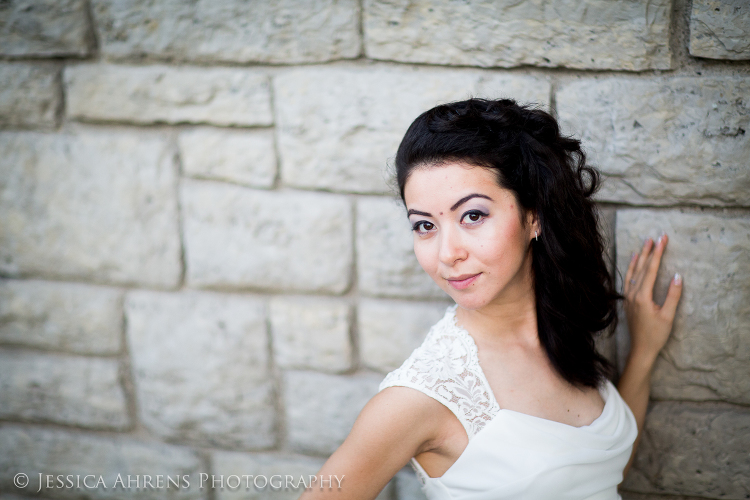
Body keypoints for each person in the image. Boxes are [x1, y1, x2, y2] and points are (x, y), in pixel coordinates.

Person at [299, 98, 683, 500]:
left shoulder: (563, 330)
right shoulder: (419, 397)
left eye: (472, 216)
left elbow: (605, 471)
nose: (448, 253)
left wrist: (642, 353)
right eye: (425, 225)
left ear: (533, 215)